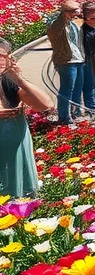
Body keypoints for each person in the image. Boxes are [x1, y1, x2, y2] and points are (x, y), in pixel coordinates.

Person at [0, 39, 56, 196]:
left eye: (4, 56)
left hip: (15, 152)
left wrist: (18, 79)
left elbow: (45, 104)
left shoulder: (7, 83)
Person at [45, 0, 86, 125]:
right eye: (73, 12)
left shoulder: (73, 24)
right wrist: (65, 14)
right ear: (65, 12)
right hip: (66, 61)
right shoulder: (55, 24)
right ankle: (64, 117)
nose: (76, 15)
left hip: (79, 59)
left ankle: (76, 112)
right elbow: (57, 28)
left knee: (78, 89)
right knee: (67, 90)